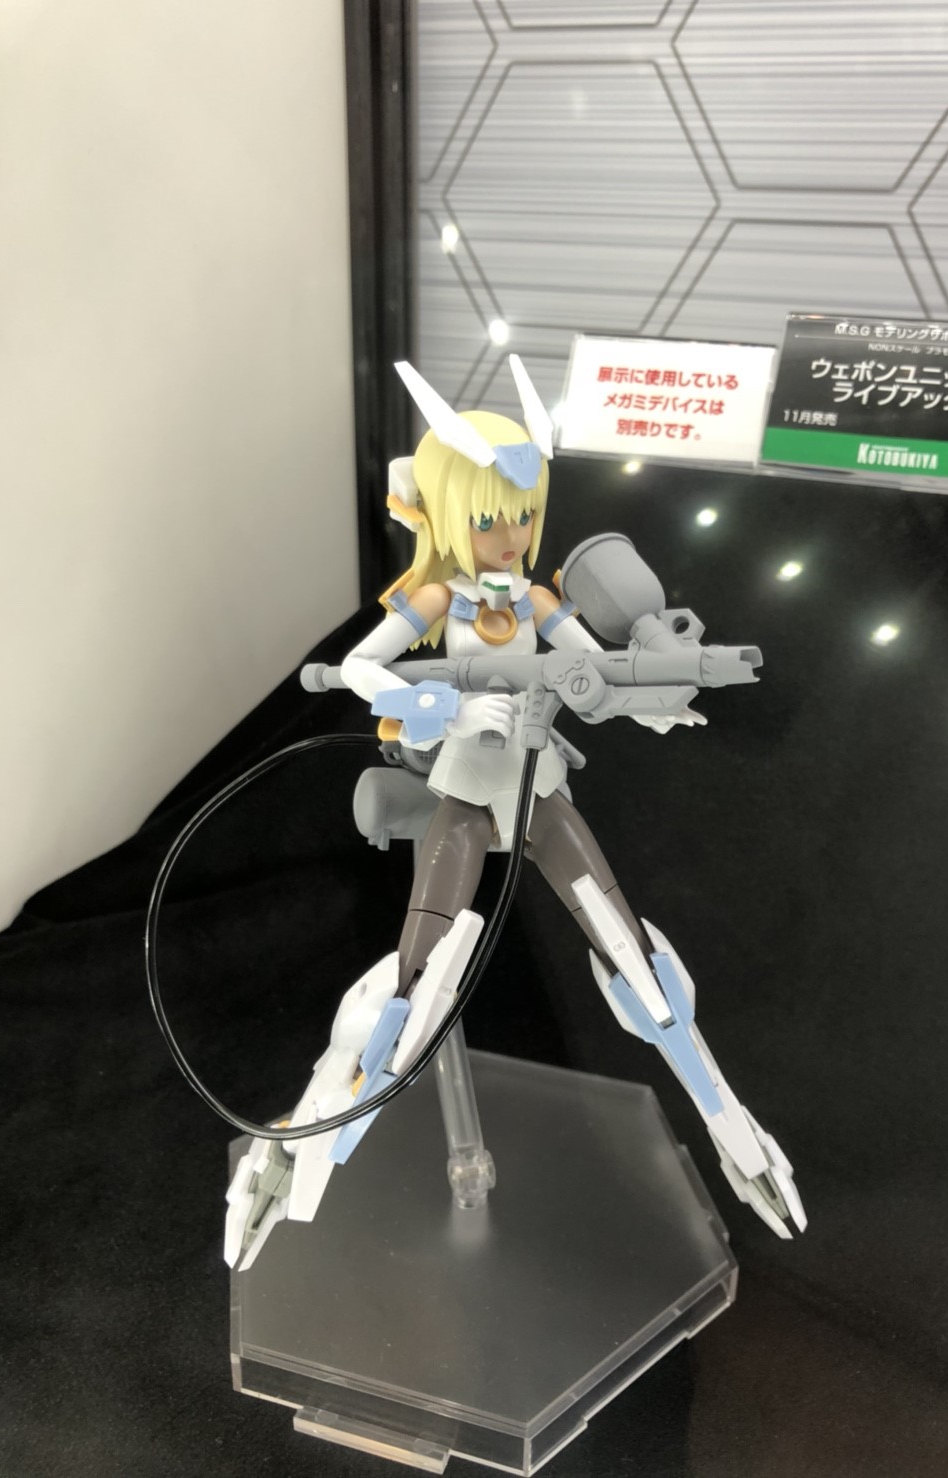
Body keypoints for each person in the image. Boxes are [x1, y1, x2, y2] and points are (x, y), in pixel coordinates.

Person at [224, 357, 803, 1270]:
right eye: (490, 518)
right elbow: (363, 668)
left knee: (638, 965)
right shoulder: (434, 598)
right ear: (454, 513)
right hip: (464, 788)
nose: (510, 536)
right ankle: (298, 1145)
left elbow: (596, 674)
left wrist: (655, 694)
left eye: (523, 517)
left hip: (537, 789)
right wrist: (442, 707)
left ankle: (735, 1132)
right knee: (414, 989)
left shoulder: (537, 599)